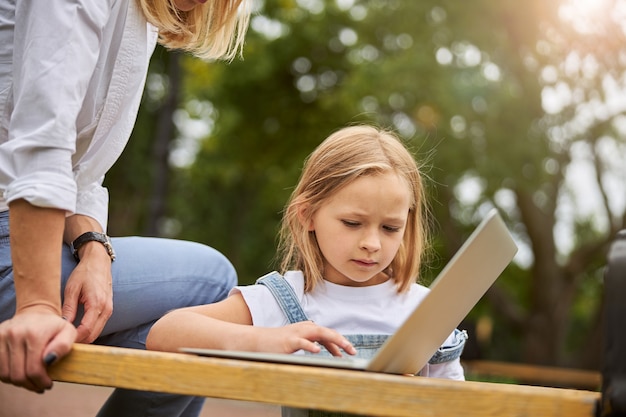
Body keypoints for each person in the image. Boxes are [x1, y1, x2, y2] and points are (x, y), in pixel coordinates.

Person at [0, 0, 251, 416]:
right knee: (212, 286)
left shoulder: (140, 21)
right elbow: (39, 146)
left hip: (24, 233)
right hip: (12, 244)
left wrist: (94, 248)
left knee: (196, 328)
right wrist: (38, 306)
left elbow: (79, 175)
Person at [146, 125, 467, 416]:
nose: (372, 243)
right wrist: (262, 340)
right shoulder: (286, 300)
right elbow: (166, 332)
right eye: (353, 223)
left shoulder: (427, 310)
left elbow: (459, 405)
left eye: (390, 227)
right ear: (307, 215)